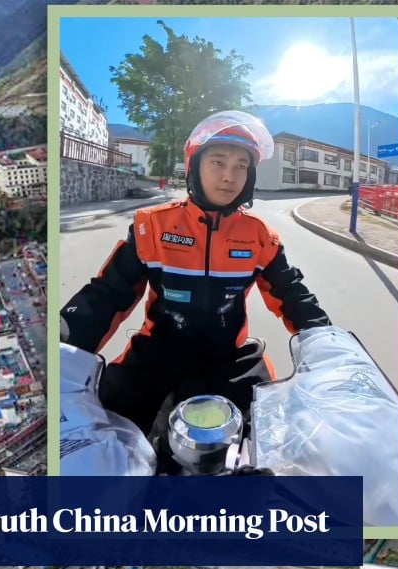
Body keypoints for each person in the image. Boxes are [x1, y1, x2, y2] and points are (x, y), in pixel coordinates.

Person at [60, 110, 332, 436]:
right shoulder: (152, 226)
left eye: (241, 166)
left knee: (268, 439)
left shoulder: (261, 236)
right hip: (154, 355)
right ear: (195, 166)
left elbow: (292, 293)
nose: (229, 176)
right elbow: (108, 294)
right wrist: (64, 344)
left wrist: (330, 346)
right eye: (218, 162)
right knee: (99, 433)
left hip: (230, 359)